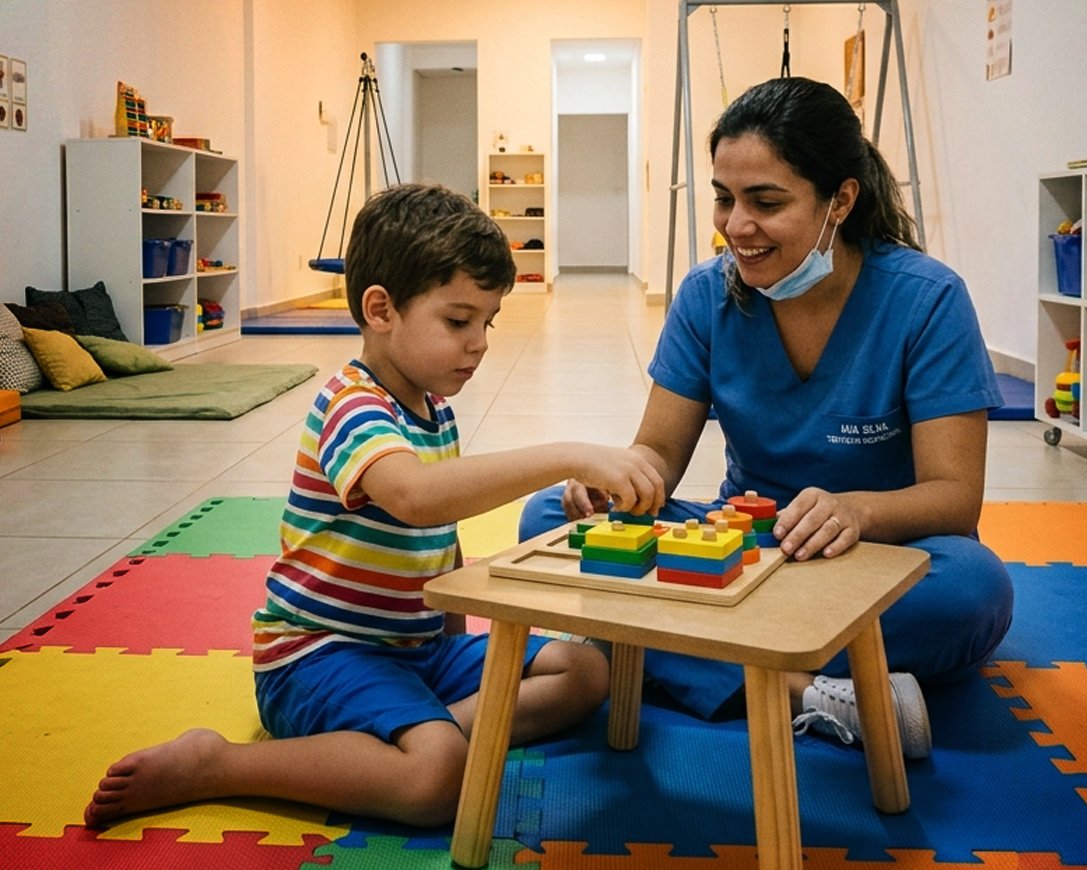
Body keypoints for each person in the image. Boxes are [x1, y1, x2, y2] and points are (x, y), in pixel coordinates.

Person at [85, 183, 665, 829]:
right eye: (457, 320)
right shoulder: (352, 404)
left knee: (585, 672)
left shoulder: (432, 408)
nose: (480, 343)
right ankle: (220, 763)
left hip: (414, 652)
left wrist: (453, 636)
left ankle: (397, 739)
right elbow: (415, 498)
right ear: (381, 309)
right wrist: (565, 455)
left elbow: (436, 542)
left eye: (487, 321)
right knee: (436, 779)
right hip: (321, 654)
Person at [520, 77, 1014, 759]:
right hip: (741, 552)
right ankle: (805, 691)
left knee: (974, 588)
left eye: (766, 202)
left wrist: (858, 512)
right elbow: (657, 454)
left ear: (840, 200)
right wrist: (617, 486)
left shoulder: (927, 301)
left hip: (869, 558)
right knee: (550, 520)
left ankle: (669, 649)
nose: (735, 226)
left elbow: (955, 499)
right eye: (725, 198)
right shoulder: (705, 296)